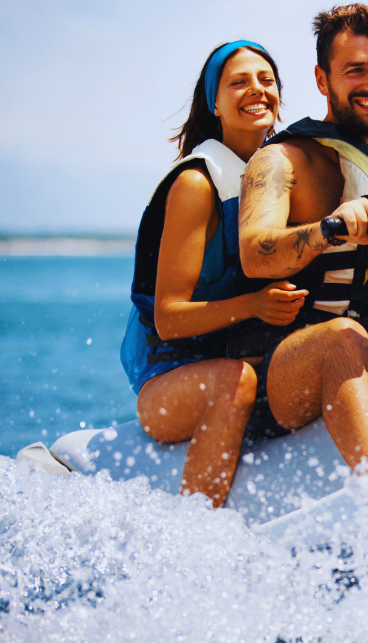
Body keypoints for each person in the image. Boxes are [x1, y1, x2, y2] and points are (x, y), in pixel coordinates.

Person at [234, 4, 368, 475]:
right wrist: (329, 228)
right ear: (321, 78)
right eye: (356, 70)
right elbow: (255, 253)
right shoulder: (281, 160)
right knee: (343, 339)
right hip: (287, 372)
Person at [120, 40, 306, 506]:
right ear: (215, 103)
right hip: (170, 376)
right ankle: (196, 533)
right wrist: (255, 306)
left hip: (247, 355)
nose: (256, 90)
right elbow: (168, 318)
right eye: (238, 82)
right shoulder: (197, 184)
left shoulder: (280, 177)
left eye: (266, 80)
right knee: (235, 380)